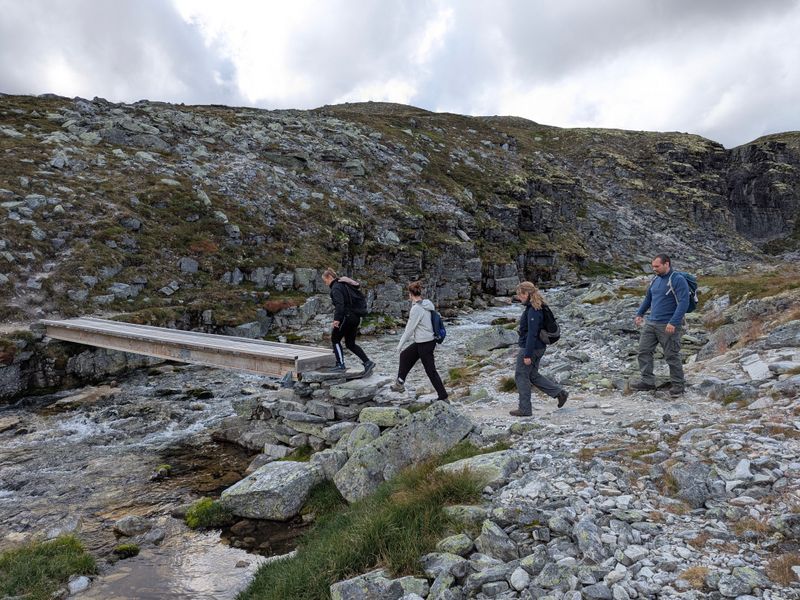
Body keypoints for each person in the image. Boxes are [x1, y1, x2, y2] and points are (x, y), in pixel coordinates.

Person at [631, 254, 689, 397]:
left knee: (671, 355)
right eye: (653, 266)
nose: (654, 269)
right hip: (651, 323)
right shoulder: (655, 279)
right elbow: (648, 298)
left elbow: (684, 302)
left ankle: (678, 385)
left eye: (657, 266)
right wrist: (640, 314)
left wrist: (674, 322)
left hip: (668, 325)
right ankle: (647, 382)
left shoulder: (677, 279)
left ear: (666, 264)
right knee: (643, 351)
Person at [511, 281, 568, 416]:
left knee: (521, 376)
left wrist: (527, 355)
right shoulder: (538, 305)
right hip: (538, 347)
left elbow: (532, 334)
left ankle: (524, 409)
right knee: (533, 375)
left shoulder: (533, 310)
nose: (519, 298)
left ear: (527, 294)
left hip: (531, 348)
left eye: (520, 295)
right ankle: (560, 393)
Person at [390, 281, 448, 401]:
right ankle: (399, 383)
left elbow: (409, 329)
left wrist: (399, 345)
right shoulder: (427, 304)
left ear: (410, 294)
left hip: (425, 343)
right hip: (425, 341)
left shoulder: (416, 309)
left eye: (408, 294)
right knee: (405, 356)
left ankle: (443, 396)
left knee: (430, 371)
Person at [321, 268, 375, 375]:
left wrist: (336, 320)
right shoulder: (345, 285)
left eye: (325, 280)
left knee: (335, 339)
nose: (325, 283)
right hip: (355, 317)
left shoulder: (336, 288)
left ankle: (340, 365)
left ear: (329, 277)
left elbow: (339, 305)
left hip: (346, 317)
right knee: (350, 344)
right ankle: (367, 362)